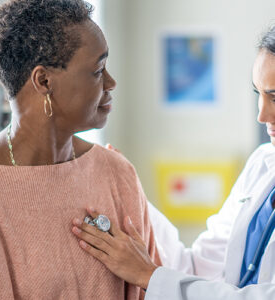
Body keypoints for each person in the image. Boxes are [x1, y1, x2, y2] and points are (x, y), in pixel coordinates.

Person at [71, 25, 275, 299]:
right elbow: (196, 269)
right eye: (257, 94)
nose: (261, 116)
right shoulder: (262, 163)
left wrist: (147, 275)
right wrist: (131, 188)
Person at [0, 0, 161, 299]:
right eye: (97, 70)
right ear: (44, 80)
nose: (111, 82)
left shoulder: (117, 173)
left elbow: (156, 287)